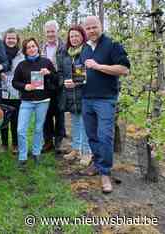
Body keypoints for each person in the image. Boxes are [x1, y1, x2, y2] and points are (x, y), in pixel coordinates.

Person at [80, 16, 130, 193]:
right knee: (92, 135)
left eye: (94, 27)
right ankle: (97, 164)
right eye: (88, 28)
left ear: (101, 26)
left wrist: (99, 66)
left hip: (105, 99)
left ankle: (105, 173)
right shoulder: (85, 48)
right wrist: (75, 81)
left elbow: (124, 69)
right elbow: (83, 71)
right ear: (85, 30)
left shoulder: (112, 44)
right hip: (87, 99)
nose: (92, 30)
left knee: (105, 136)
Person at [12, 37, 57, 167]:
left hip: (43, 101)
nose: (32, 49)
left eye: (33, 46)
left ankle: (36, 152)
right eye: (28, 48)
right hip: (26, 101)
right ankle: (23, 155)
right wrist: (24, 86)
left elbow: (55, 79)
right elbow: (15, 82)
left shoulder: (46, 62)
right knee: (21, 129)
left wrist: (48, 73)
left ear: (37, 47)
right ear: (25, 51)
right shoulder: (21, 65)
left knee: (38, 128)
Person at [62, 25, 93, 165]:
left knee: (85, 124)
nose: (74, 39)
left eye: (76, 36)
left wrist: (77, 83)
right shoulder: (66, 53)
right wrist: (64, 81)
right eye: (71, 36)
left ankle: (87, 152)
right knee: (75, 122)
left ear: (82, 36)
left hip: (85, 93)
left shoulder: (88, 51)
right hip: (71, 94)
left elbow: (91, 73)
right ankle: (76, 149)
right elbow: (62, 72)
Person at [41, 20, 68, 154]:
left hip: (58, 83)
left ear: (57, 31)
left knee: (59, 113)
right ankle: (48, 141)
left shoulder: (64, 47)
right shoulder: (42, 47)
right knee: (46, 113)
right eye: (48, 32)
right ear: (45, 33)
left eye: (53, 31)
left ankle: (59, 141)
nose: (50, 34)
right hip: (45, 84)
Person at [0, 28, 25, 154]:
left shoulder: (21, 56)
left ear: (17, 40)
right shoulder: (0, 54)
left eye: (13, 38)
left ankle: (15, 144)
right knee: (3, 119)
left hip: (16, 92)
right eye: (8, 38)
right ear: (5, 39)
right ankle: (4, 144)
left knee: (15, 119)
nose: (11, 40)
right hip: (2, 91)